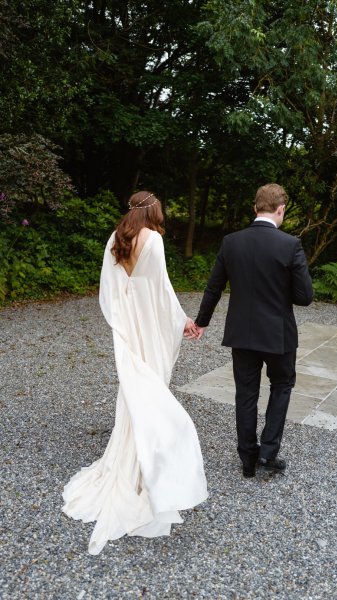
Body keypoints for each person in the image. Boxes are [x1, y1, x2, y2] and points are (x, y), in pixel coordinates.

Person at [62, 191, 208, 555]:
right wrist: (182, 322)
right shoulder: (154, 240)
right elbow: (161, 291)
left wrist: (121, 329)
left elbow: (110, 292)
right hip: (150, 330)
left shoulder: (116, 239)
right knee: (153, 392)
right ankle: (147, 471)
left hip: (130, 329)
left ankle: (133, 458)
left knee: (136, 393)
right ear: (155, 211)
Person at [194, 183, 313, 478]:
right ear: (281, 209)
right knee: (282, 386)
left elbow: (214, 287)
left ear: (254, 207)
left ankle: (247, 457)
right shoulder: (290, 245)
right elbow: (304, 296)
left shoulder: (231, 242)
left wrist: (201, 322)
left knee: (245, 394)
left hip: (242, 334)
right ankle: (268, 453)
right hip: (278, 334)